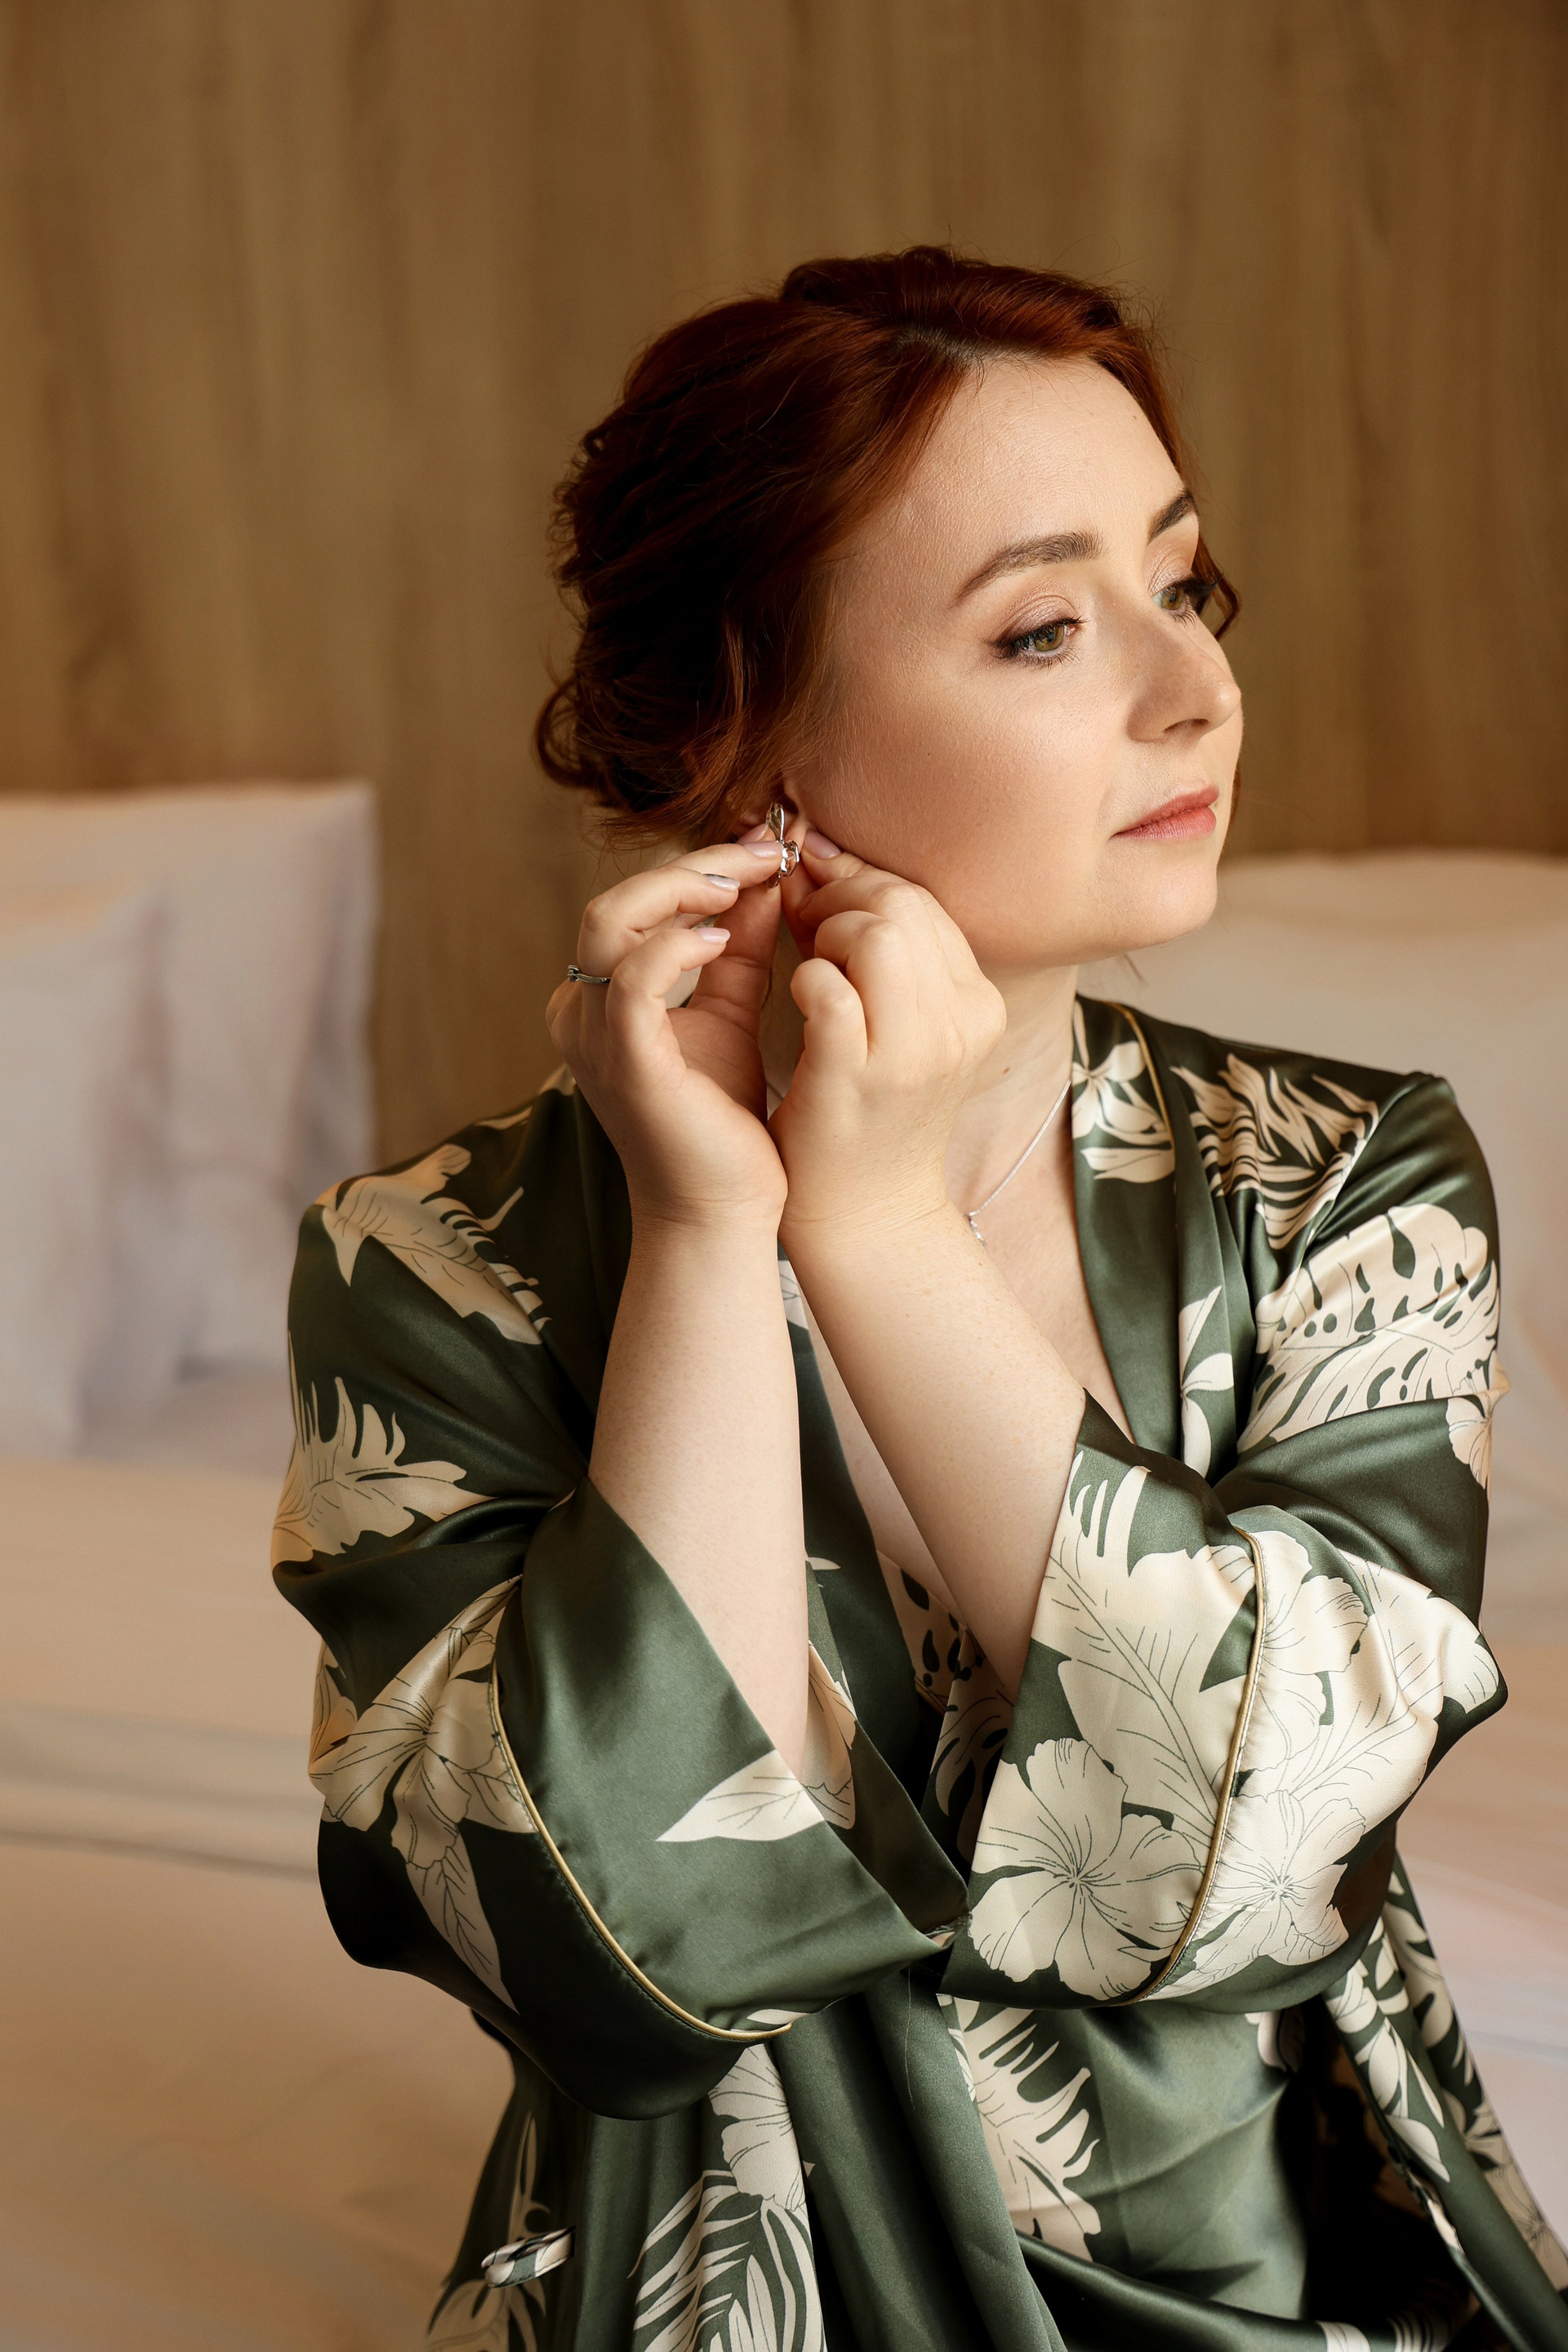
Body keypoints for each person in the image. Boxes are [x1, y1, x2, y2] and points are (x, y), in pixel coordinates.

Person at [274, 248, 1568, 2351]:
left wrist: (878, 1236)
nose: (1195, 689)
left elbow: (1261, 1859)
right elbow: (610, 1957)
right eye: (1045, 628)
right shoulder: (430, 1259)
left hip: (1272, 2282)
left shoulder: (1348, 1182)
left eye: (1187, 585)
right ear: (746, 742)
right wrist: (713, 1231)